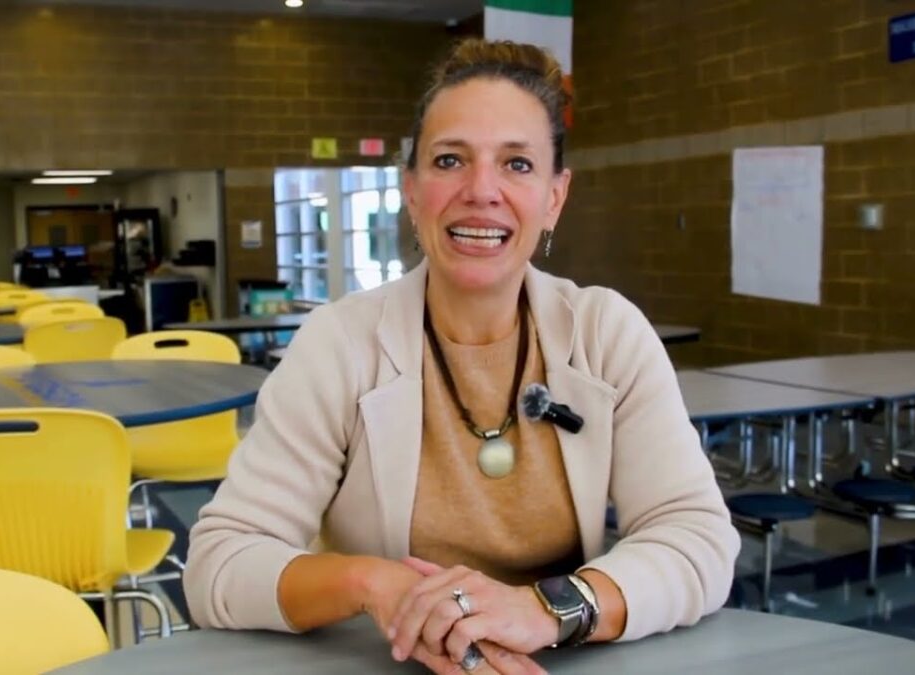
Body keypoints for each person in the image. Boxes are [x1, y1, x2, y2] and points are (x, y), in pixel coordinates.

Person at [185, 38, 739, 674]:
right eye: (450, 160)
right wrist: (378, 586)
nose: (482, 190)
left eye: (517, 165)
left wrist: (547, 609)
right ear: (413, 192)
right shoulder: (339, 345)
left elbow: (697, 539)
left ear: (555, 198)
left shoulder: (606, 333)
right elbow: (219, 564)